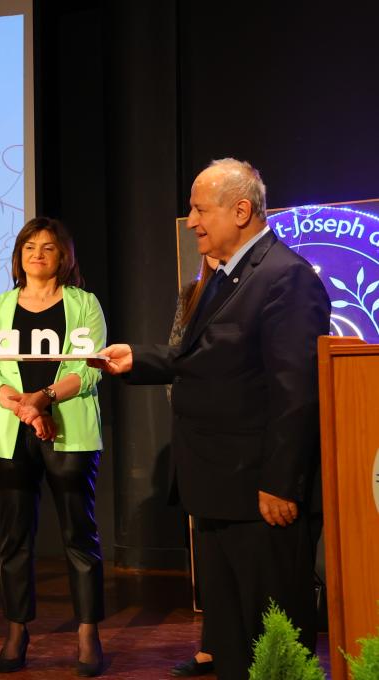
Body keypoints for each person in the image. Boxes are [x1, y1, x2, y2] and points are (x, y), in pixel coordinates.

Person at [92, 159, 330, 680]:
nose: (193, 222)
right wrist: (139, 359)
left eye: (200, 210)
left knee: (272, 642)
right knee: (231, 642)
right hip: (218, 489)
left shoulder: (285, 278)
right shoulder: (224, 276)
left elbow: (296, 394)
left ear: (240, 211)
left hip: (261, 497)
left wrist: (280, 483)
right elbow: (205, 357)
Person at [0, 217, 107, 675]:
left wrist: (46, 397)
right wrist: (27, 409)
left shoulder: (84, 303)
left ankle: (88, 633)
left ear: (63, 256)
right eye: (29, 246)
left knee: (79, 535)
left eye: (48, 247)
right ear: (19, 255)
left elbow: (89, 368)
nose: (37, 254)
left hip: (71, 433)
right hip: (13, 433)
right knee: (15, 538)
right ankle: (16, 630)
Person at [166, 255, 219, 678]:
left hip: (245, 438)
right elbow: (174, 359)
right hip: (200, 438)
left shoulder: (268, 283)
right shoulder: (191, 294)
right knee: (210, 551)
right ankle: (213, 646)